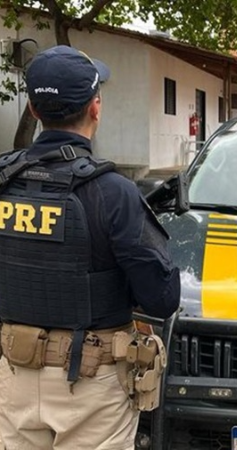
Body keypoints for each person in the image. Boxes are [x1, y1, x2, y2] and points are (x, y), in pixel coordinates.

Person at [0, 45, 181, 449]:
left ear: (33, 108)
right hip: (90, 385)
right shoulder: (113, 192)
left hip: (13, 378)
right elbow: (162, 298)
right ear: (95, 107)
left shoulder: (4, 180)